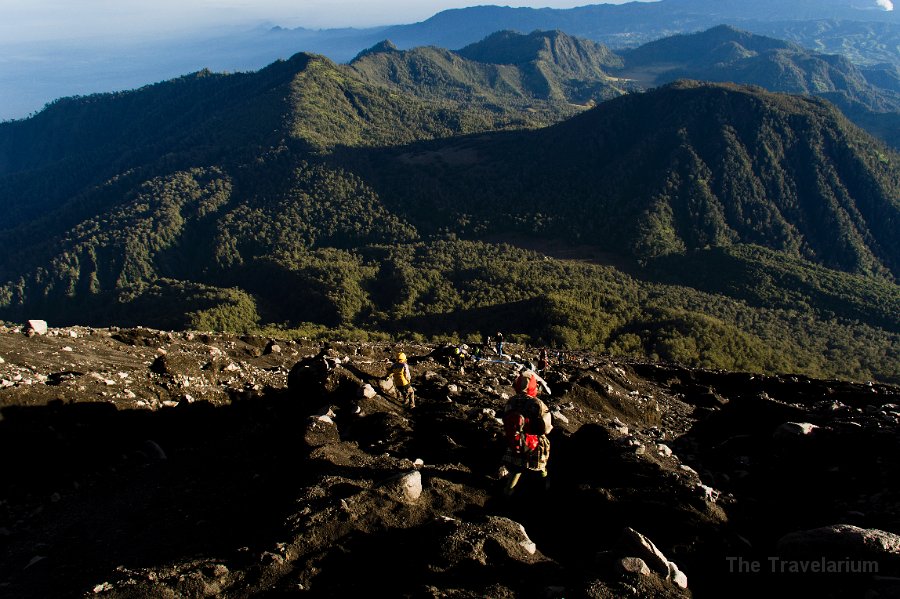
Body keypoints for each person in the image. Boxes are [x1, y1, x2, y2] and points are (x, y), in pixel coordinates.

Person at [501, 376, 553, 496]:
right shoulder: (537, 403)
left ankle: (508, 490)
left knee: (516, 469)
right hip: (534, 444)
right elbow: (546, 427)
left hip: (515, 442)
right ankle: (545, 484)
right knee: (542, 467)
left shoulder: (511, 401)